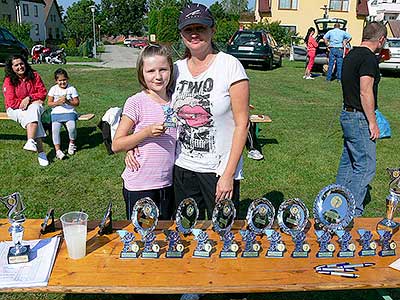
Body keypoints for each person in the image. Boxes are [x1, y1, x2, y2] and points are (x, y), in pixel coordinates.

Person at [172, 3, 249, 222]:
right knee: (187, 233)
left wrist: (228, 175)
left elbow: (242, 124)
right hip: (183, 168)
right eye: (188, 29)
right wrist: (133, 147)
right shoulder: (175, 69)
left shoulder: (230, 66)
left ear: (212, 30)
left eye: (201, 28)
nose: (194, 34)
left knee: (223, 233)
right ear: (181, 33)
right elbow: (156, 107)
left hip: (218, 171)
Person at [113, 44, 176, 221]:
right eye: (150, 71)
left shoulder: (177, 100)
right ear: (141, 73)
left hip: (169, 183)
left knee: (165, 236)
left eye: (163, 69)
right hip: (140, 184)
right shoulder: (136, 102)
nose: (158, 76)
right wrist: (146, 133)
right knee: (142, 237)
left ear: (171, 69)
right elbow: (117, 144)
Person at [336, 21, 387, 217]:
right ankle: (352, 212)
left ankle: (335, 206)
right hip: (358, 117)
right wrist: (372, 122)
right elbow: (366, 92)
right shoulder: (368, 59)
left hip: (347, 114)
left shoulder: (351, 55)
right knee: (366, 166)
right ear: (380, 39)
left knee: (348, 163)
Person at [2, 55, 49, 166]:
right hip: (15, 109)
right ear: (11, 67)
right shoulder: (9, 81)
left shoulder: (34, 75)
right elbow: (11, 102)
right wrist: (27, 103)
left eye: (21, 63)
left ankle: (30, 141)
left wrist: (29, 98)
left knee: (35, 109)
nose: (20, 67)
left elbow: (42, 93)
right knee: (34, 114)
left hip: (34, 105)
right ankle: (40, 151)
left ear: (25, 63)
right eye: (16, 65)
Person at [47, 68, 80, 160]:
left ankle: (72, 143)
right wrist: (58, 102)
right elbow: (49, 103)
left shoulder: (71, 89)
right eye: (60, 80)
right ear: (56, 81)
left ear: (67, 79)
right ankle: (58, 150)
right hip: (56, 113)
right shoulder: (53, 89)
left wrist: (68, 102)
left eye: (64, 80)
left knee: (72, 127)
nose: (62, 82)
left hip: (69, 112)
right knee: (55, 130)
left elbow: (77, 103)